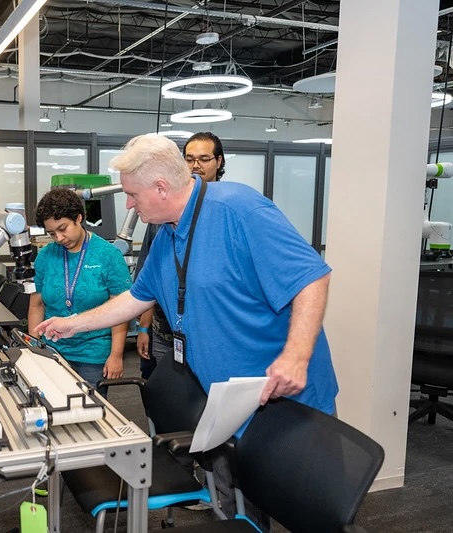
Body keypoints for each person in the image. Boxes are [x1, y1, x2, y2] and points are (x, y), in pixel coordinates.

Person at [34, 133, 338, 526]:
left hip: (287, 399)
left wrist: (296, 356)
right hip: (229, 403)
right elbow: (135, 299)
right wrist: (70, 324)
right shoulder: (166, 233)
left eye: (132, 194)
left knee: (308, 513)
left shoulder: (240, 210)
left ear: (160, 187)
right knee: (243, 511)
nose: (128, 203)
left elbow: (312, 278)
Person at [137, 132, 225, 379]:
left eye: (204, 159)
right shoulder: (162, 216)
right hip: (165, 333)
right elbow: (147, 280)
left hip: (209, 336)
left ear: (218, 162)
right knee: (163, 399)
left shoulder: (227, 211)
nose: (195, 165)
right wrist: (144, 327)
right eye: (189, 159)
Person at [27, 188, 131, 394]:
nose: (58, 238)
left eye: (63, 228)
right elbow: (36, 304)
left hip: (92, 354)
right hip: (53, 351)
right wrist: (34, 347)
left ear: (79, 218)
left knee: (90, 412)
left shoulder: (108, 255)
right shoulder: (45, 256)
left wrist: (116, 354)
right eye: (51, 233)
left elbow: (121, 310)